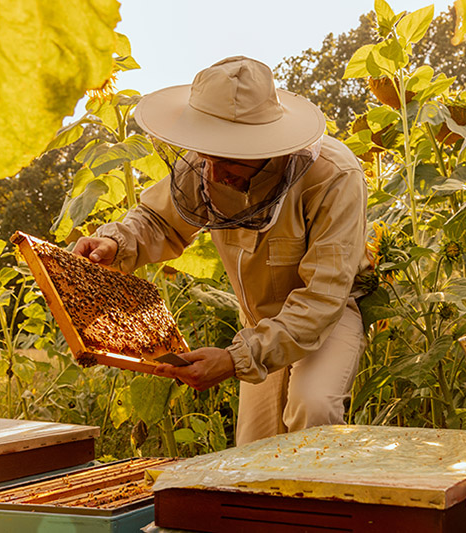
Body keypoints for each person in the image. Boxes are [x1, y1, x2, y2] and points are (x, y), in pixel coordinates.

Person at [74, 56, 371, 445]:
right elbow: (158, 220)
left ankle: (327, 503)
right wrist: (116, 242)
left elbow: (322, 298)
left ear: (268, 143)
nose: (213, 172)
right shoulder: (205, 166)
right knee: (253, 451)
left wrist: (235, 359)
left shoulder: (334, 176)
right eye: (209, 154)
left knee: (312, 406)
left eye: (229, 157)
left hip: (330, 315)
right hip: (257, 321)